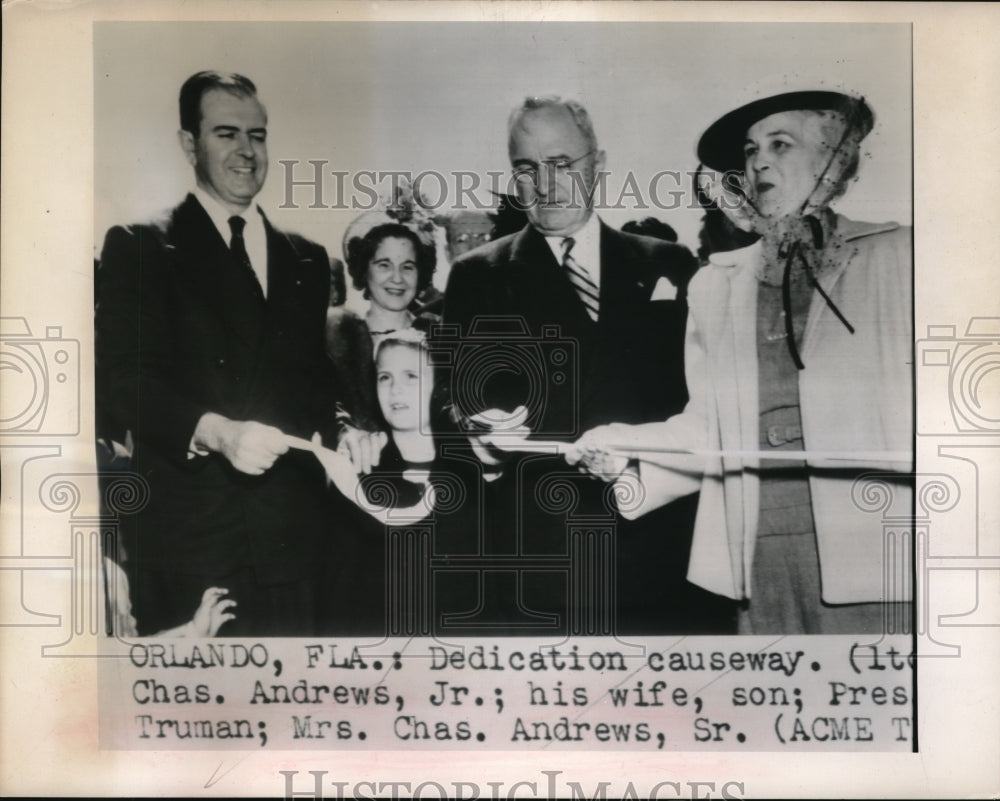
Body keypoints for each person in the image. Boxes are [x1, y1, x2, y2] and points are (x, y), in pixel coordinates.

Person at [571, 90, 913, 635]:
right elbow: (709, 428)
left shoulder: (901, 257)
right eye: (751, 150)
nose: (758, 162)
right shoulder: (716, 284)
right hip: (756, 554)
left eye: (781, 144)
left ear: (835, 159)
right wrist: (624, 453)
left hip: (877, 554)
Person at [442, 96, 726, 634]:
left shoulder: (668, 263)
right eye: (527, 168)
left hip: (660, 548)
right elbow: (456, 399)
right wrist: (473, 425)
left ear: (598, 163)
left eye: (561, 164)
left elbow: (704, 403)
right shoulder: (478, 274)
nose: (545, 185)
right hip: (543, 556)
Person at [96, 70, 344, 636]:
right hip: (192, 543)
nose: (246, 152)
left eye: (258, 135)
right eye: (226, 133)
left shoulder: (305, 257)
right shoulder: (142, 245)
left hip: (293, 542)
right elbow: (122, 381)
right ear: (189, 144)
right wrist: (215, 432)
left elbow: (315, 380)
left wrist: (343, 426)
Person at [325, 221, 439, 432]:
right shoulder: (339, 337)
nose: (397, 278)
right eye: (384, 265)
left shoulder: (438, 333)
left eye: (407, 267)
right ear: (363, 270)